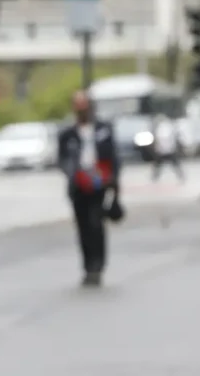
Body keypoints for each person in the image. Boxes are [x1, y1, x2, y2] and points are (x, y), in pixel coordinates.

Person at [57, 90, 121, 287]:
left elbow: (114, 157)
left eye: (85, 105)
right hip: (78, 185)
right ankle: (87, 266)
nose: (82, 110)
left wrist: (114, 181)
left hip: (99, 183)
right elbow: (62, 159)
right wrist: (72, 173)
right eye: (78, 106)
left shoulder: (104, 130)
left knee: (96, 223)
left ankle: (98, 265)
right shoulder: (67, 135)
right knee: (83, 226)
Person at [151, 114, 184, 182]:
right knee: (160, 164)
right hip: (167, 150)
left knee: (173, 164)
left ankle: (155, 176)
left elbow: (158, 139)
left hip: (165, 150)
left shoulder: (162, 128)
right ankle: (155, 176)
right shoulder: (167, 128)